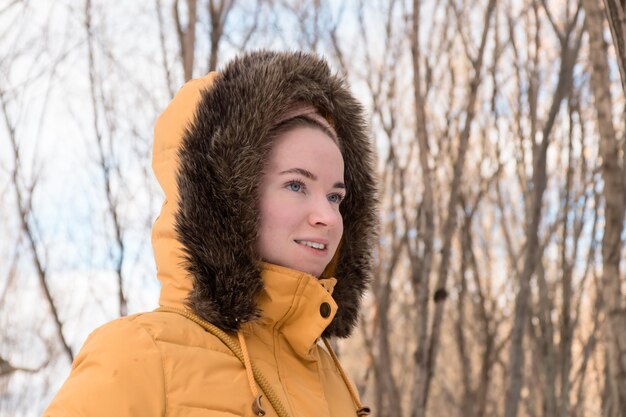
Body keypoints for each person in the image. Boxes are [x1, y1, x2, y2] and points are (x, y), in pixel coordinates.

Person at [44, 50, 378, 417]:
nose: (328, 217)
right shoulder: (141, 355)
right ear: (227, 194)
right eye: (296, 185)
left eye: (335, 196)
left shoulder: (335, 382)